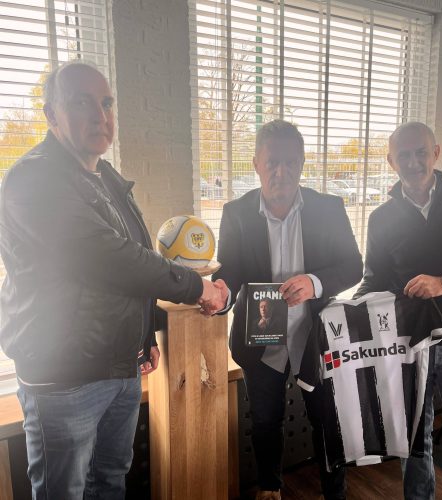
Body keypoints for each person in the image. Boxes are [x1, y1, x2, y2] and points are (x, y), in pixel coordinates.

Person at [0, 61, 228, 499]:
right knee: (63, 492)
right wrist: (199, 287)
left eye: (106, 103)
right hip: (64, 378)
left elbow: (132, 265)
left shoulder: (104, 177)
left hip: (119, 366)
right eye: (81, 103)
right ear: (51, 114)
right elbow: (113, 259)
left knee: (110, 480)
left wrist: (144, 337)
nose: (99, 116)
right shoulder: (34, 179)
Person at [213, 119, 363, 500]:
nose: (281, 171)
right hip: (260, 341)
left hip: (314, 338)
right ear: (256, 164)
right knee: (265, 421)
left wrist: (314, 282)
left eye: (291, 162)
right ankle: (269, 488)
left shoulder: (329, 208)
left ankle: (335, 494)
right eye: (272, 162)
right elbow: (229, 272)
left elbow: (353, 266)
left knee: (327, 422)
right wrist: (220, 293)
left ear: (302, 163)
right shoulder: (236, 212)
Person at [355, 121, 442, 500]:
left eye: (421, 152)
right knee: (414, 450)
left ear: (436, 153)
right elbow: (375, 281)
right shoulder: (381, 218)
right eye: (403, 155)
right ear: (391, 161)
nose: (413, 161)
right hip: (408, 347)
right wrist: (344, 312)